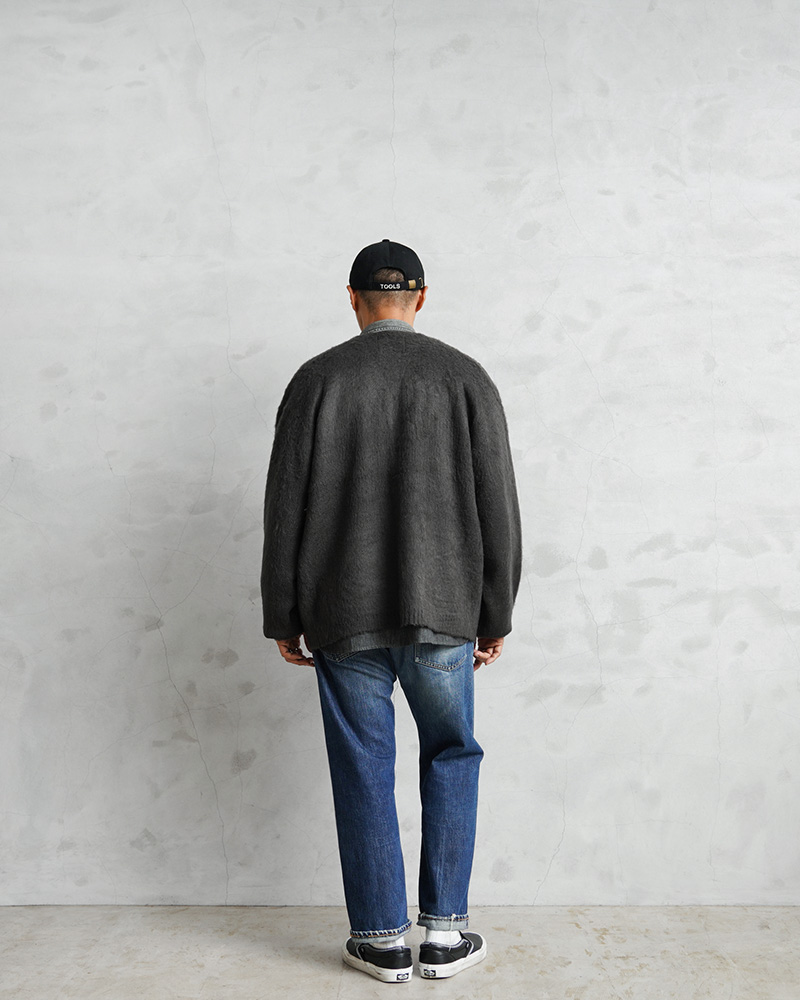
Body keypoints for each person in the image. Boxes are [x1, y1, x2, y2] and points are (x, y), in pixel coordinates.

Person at [260, 239, 522, 982]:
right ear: (422, 297)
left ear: (352, 298)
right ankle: (444, 934)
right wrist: (494, 613)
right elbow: (499, 508)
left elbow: (284, 508)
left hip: (343, 612)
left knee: (362, 766)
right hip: (445, 609)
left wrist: (283, 613)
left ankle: (380, 941)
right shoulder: (466, 378)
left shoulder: (316, 380)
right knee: (452, 753)